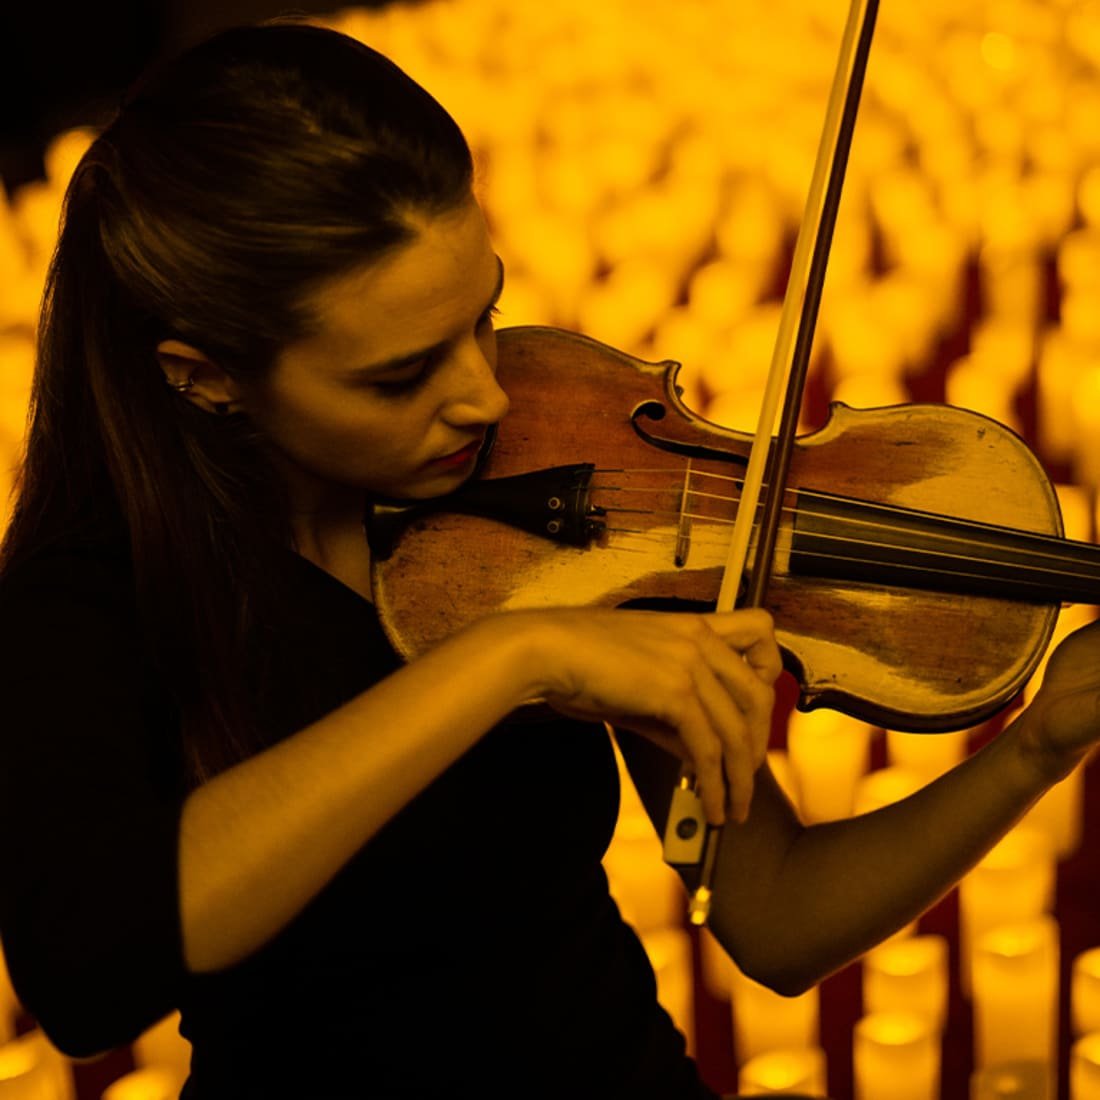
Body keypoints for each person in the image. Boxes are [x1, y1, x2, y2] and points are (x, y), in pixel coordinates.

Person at [0, 21, 1097, 1100]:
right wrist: (509, 659)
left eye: (483, 315)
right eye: (399, 376)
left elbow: (778, 917)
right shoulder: (90, 595)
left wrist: (1030, 750)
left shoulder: (563, 472)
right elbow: (92, 973)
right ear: (204, 377)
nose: (483, 392)